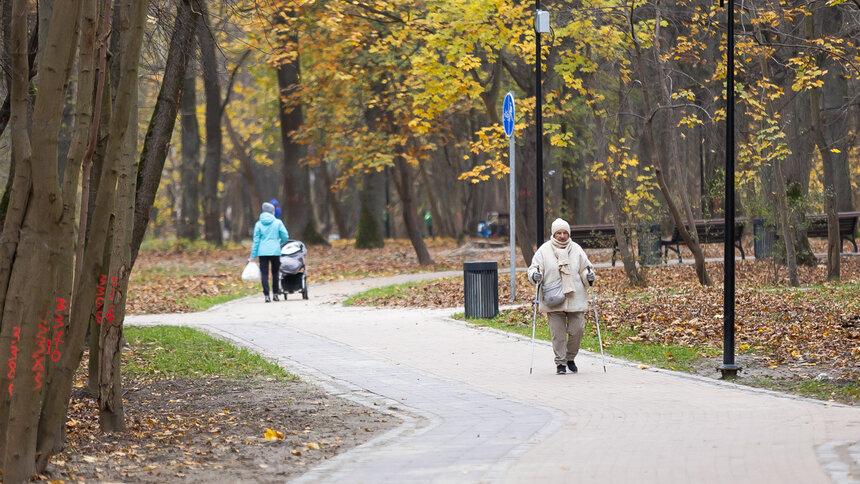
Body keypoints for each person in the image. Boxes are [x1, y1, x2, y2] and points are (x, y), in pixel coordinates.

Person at [528, 218, 596, 374]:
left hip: (575, 296)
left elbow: (586, 269)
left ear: (569, 233)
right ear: (553, 234)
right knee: (558, 335)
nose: (562, 236)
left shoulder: (577, 249)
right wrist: (535, 276)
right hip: (553, 299)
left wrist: (589, 276)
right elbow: (533, 269)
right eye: (558, 233)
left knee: (578, 329)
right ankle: (560, 363)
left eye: (565, 233)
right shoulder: (544, 250)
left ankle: (570, 357)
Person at [250, 202, 289, 302]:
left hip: (262, 252)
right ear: (272, 212)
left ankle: (267, 295)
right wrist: (280, 242)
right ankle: (275, 294)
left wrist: (253, 255)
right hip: (275, 251)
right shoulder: (278, 222)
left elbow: (256, 241)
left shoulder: (258, 224)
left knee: (264, 274)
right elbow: (285, 236)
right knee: (275, 273)